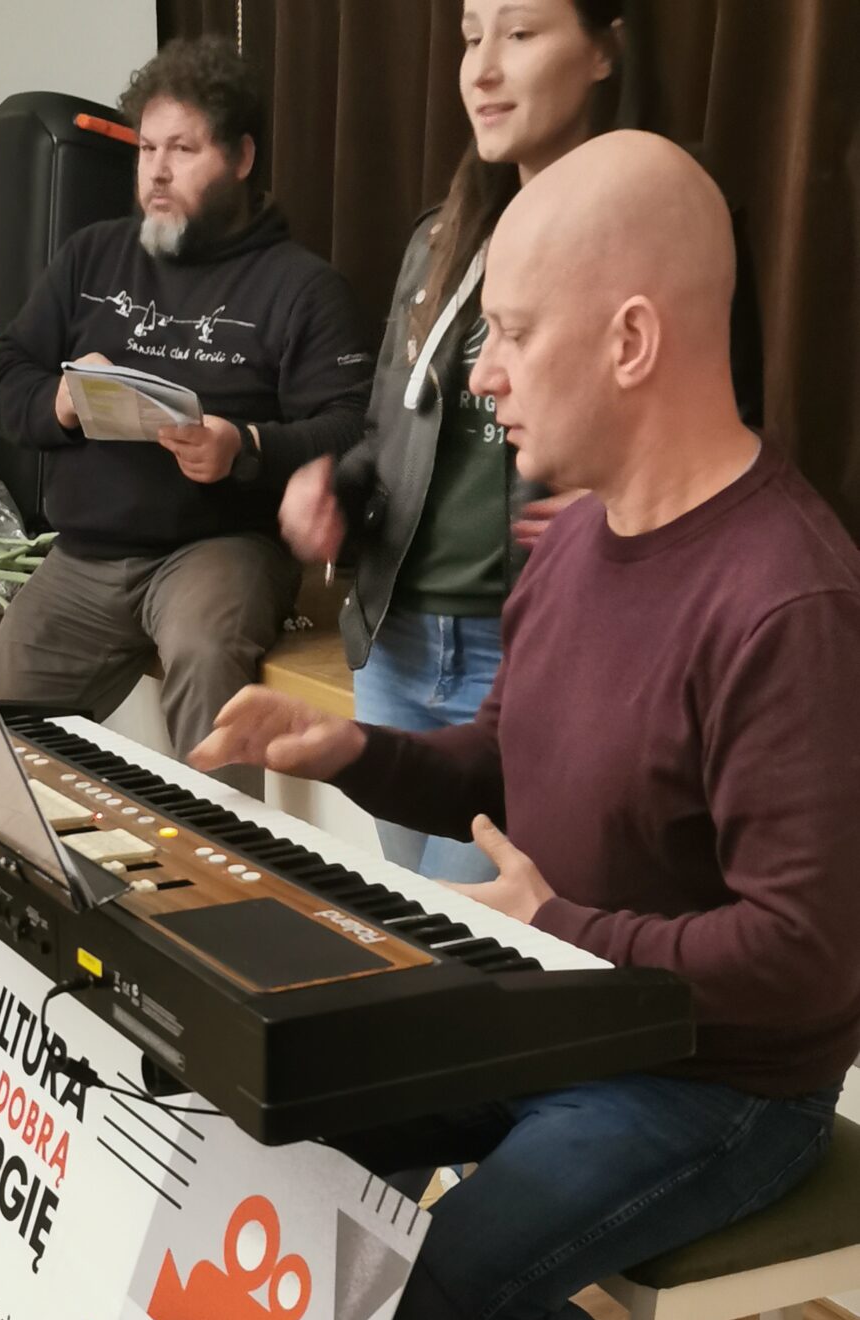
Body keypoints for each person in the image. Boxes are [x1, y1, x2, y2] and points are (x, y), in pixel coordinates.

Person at [191, 133, 860, 1320]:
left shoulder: (786, 600)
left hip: (722, 1078)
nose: (477, 374)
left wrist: (564, 925)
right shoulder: (567, 543)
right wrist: (348, 751)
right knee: (285, 1114)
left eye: (507, 332)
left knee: (448, 1298)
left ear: (631, 341)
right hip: (560, 1003)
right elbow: (504, 760)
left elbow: (806, 960)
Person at [0, 33, 374, 1033]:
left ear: (240, 158)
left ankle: (220, 945)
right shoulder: (92, 257)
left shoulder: (298, 286)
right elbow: (7, 372)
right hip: (86, 553)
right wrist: (62, 401)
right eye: (148, 148)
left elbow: (350, 429)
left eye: (183, 149)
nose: (156, 170)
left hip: (216, 546)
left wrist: (245, 445)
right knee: (0, 722)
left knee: (205, 651)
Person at [279, 0, 762, 886]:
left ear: (604, 50)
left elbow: (719, 439)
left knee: (468, 931)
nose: (483, 68)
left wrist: (621, 499)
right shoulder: (439, 238)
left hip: (531, 648)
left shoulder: (669, 220)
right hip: (397, 644)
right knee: (416, 913)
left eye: (520, 33)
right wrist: (336, 493)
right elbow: (387, 435)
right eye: (470, 38)